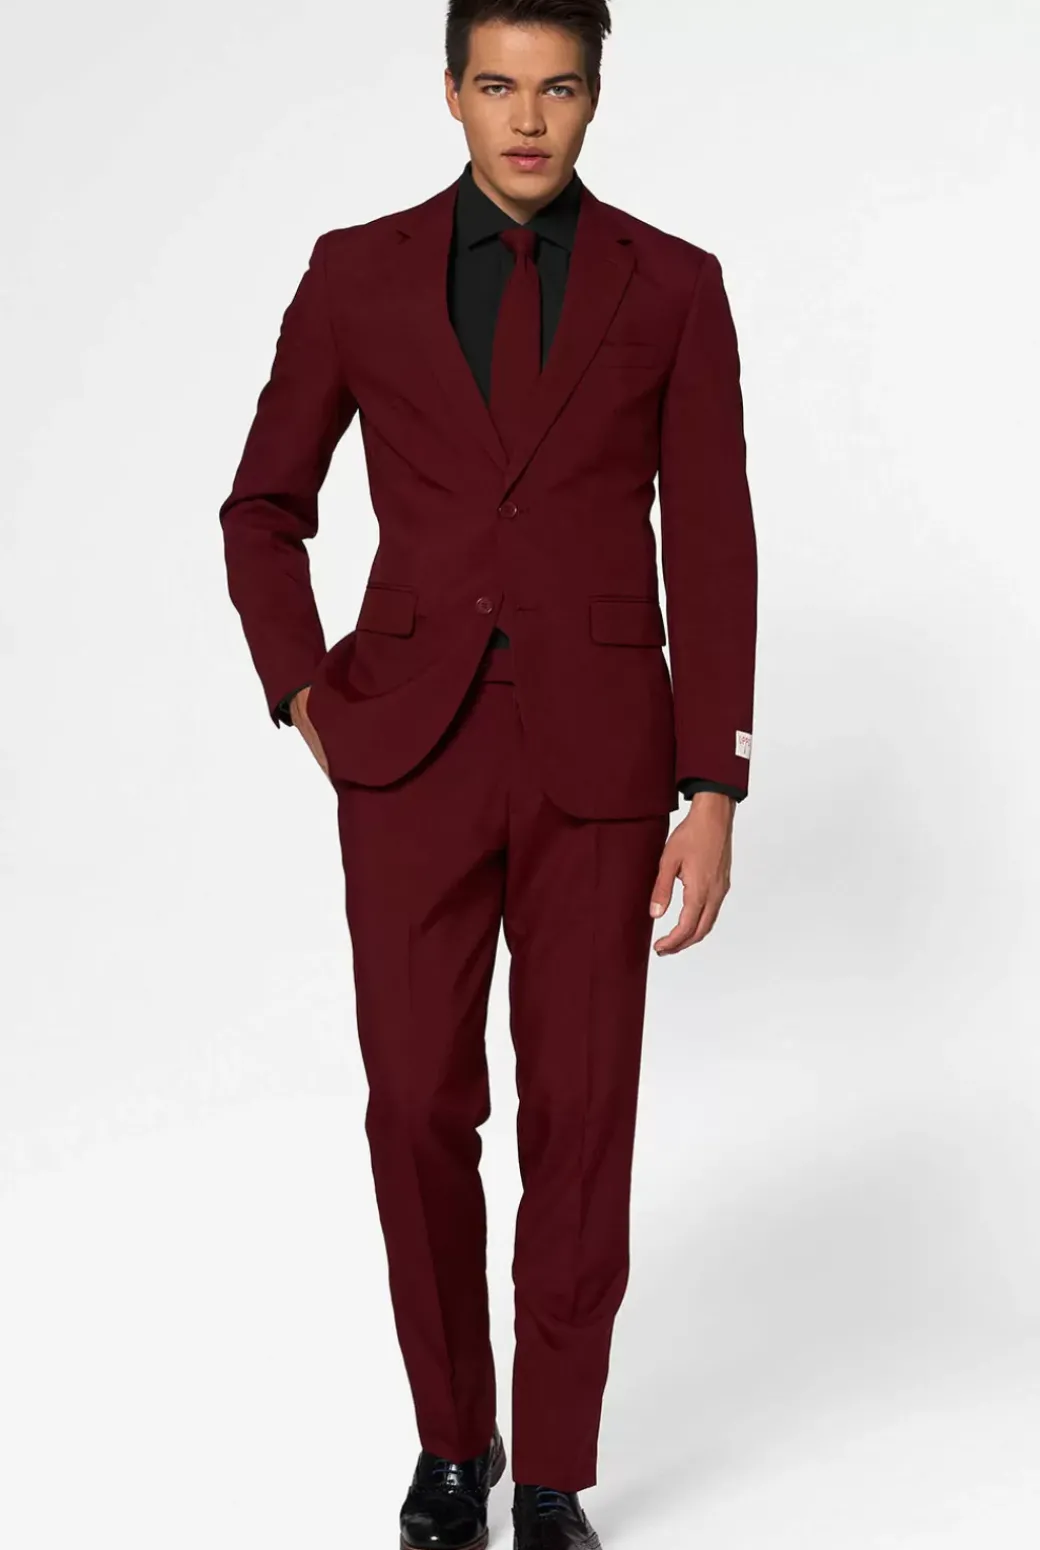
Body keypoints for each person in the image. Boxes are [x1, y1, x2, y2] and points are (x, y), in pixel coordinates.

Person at [219, 2, 757, 1544]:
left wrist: (713, 783)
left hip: (605, 761)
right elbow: (263, 507)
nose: (529, 119)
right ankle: (454, 1442)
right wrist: (303, 691)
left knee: (581, 1116)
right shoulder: (356, 275)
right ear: (451, 92)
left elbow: (711, 538)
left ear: (594, 97)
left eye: (559, 88)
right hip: (411, 751)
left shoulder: (674, 285)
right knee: (414, 1106)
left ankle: (555, 1470)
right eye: (500, 86)